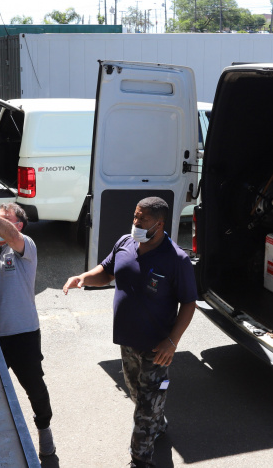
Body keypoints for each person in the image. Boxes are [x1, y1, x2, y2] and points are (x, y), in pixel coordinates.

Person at [62, 197, 197, 468]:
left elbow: (189, 303)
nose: (136, 222)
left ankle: (140, 460)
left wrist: (172, 342)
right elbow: (106, 272)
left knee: (144, 412)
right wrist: (84, 278)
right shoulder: (125, 243)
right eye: (135, 216)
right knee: (137, 393)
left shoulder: (177, 259)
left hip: (157, 348)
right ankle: (157, 421)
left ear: (159, 224)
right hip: (127, 341)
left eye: (143, 219)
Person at [0, 195, 56, 457]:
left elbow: (10, 235)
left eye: (4, 218)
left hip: (23, 334)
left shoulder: (25, 245)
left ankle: (44, 429)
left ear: (18, 225)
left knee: (34, 387)